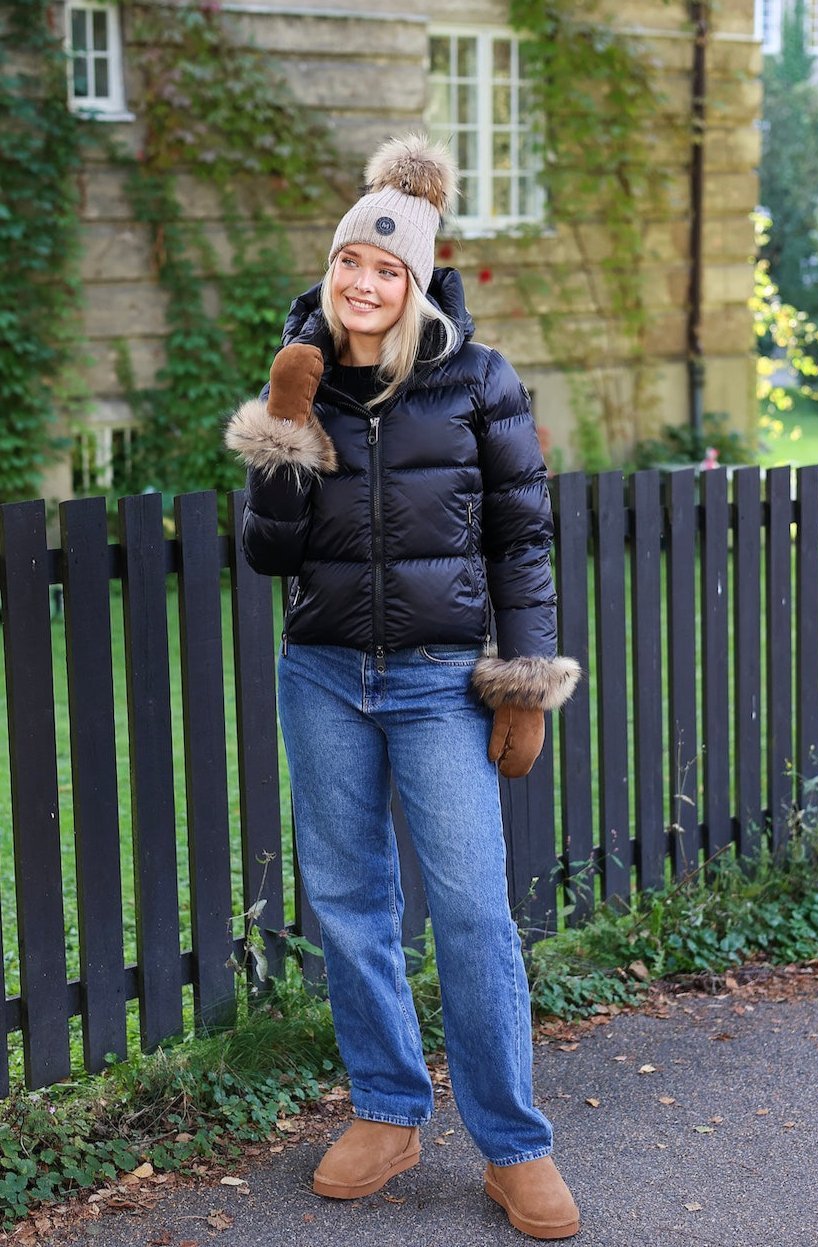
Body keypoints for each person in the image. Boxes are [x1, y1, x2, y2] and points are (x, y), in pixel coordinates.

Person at [225, 134, 581, 1241]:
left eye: (387, 270)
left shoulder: (480, 379)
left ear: (419, 280)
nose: (364, 284)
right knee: (349, 903)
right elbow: (271, 556)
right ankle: (387, 1109)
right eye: (348, 265)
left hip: (437, 682)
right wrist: (287, 421)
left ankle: (513, 1144)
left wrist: (522, 680)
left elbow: (523, 541)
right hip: (323, 674)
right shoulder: (305, 372)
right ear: (330, 269)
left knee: (474, 909)